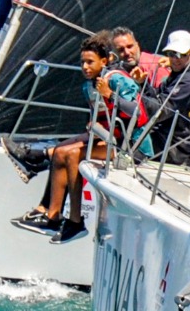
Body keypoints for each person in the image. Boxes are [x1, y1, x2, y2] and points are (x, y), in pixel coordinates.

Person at [12, 35, 146, 238]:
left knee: (73, 155)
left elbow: (137, 112)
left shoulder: (117, 79)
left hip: (131, 148)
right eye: (82, 62)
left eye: (90, 62)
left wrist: (109, 94)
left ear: (105, 60)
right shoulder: (88, 86)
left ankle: (75, 221)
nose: (84, 66)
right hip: (109, 140)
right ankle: (53, 217)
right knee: (61, 151)